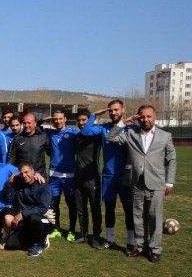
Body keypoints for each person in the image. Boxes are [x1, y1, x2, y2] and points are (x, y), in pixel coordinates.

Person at [106, 105, 176, 263]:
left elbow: (171, 160)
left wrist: (169, 182)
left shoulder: (165, 136)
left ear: (154, 117)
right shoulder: (131, 134)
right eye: (142, 117)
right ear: (138, 118)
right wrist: (123, 123)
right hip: (136, 182)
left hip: (157, 182)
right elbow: (110, 137)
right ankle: (141, 247)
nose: (145, 119)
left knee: (154, 217)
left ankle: (155, 249)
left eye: (148, 116)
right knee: (138, 217)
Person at [81, 100, 135, 250]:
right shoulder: (104, 128)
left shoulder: (130, 128)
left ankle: (130, 242)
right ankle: (109, 240)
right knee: (109, 209)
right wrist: (94, 115)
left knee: (128, 210)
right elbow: (85, 132)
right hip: (108, 176)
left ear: (123, 110)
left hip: (126, 176)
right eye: (111, 110)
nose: (113, 113)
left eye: (116, 110)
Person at [38, 110, 79, 242]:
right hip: (54, 175)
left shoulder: (73, 133)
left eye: (60, 119)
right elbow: (37, 125)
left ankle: (72, 230)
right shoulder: (50, 132)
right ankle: (56, 229)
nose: (58, 121)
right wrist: (47, 118)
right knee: (54, 204)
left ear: (65, 119)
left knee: (71, 204)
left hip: (70, 175)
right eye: (55, 119)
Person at [2, 163, 54, 257]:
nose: (24, 175)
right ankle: (35, 239)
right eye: (22, 173)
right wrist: (9, 184)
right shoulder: (20, 185)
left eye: (26, 172)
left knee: (34, 218)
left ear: (33, 171)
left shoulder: (43, 186)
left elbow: (43, 208)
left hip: (44, 219)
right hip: (27, 220)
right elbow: (9, 199)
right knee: (10, 245)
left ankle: (40, 241)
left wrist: (23, 214)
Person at [73, 110, 103, 248]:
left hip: (92, 177)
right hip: (78, 177)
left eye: (84, 120)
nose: (81, 123)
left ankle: (96, 236)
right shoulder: (77, 136)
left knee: (95, 208)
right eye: (79, 120)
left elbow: (88, 130)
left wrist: (93, 116)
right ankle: (83, 234)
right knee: (80, 208)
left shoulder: (96, 135)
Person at [7, 113, 50, 178]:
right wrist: (9, 173)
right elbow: (12, 158)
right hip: (23, 176)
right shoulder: (17, 138)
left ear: (35, 123)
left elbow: (51, 153)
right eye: (25, 123)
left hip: (39, 177)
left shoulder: (43, 136)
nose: (26, 125)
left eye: (29, 123)